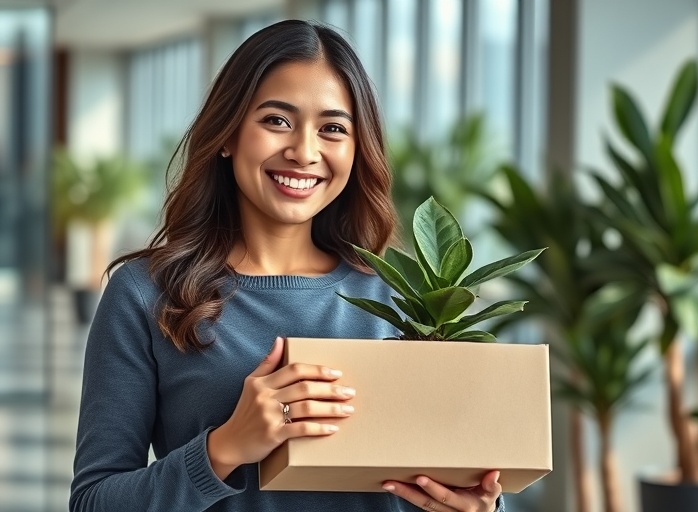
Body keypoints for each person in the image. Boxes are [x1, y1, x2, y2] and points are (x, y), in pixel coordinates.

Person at [69, 19, 505, 512]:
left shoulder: (407, 298)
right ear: (228, 134)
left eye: (333, 129)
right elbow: (94, 502)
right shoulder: (145, 294)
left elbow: (445, 481)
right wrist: (224, 448)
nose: (304, 152)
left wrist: (477, 507)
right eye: (277, 120)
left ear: (358, 149)